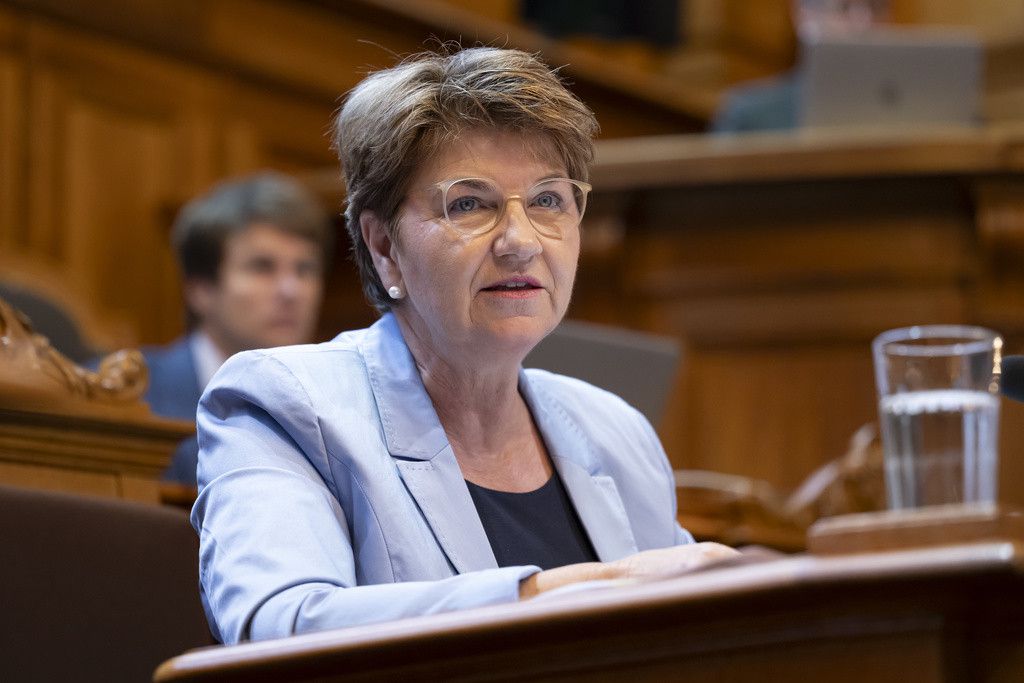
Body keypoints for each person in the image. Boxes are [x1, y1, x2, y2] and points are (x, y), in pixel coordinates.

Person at [192, 46, 737, 645]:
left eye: (548, 200)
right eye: (469, 204)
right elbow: (280, 628)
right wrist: (574, 590)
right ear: (383, 247)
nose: (520, 241)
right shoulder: (289, 407)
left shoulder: (614, 430)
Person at [142, 172, 331, 484]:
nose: (291, 290)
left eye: (304, 269)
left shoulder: (339, 405)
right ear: (200, 290)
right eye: (262, 267)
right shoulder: (133, 398)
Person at [712, 0, 890, 133]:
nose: (864, 23)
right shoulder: (749, 117)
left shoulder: (905, 117)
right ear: (804, 15)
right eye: (843, 7)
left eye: (876, 7)